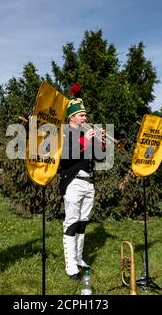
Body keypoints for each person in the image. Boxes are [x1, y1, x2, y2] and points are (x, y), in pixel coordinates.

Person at [58, 83, 105, 280]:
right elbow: (66, 157)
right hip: (73, 182)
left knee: (83, 223)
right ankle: (70, 266)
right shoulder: (64, 133)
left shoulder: (87, 133)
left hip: (88, 182)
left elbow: (101, 158)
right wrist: (86, 139)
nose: (85, 118)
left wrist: (100, 141)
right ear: (72, 117)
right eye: (81, 115)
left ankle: (78, 258)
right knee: (71, 222)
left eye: (85, 115)